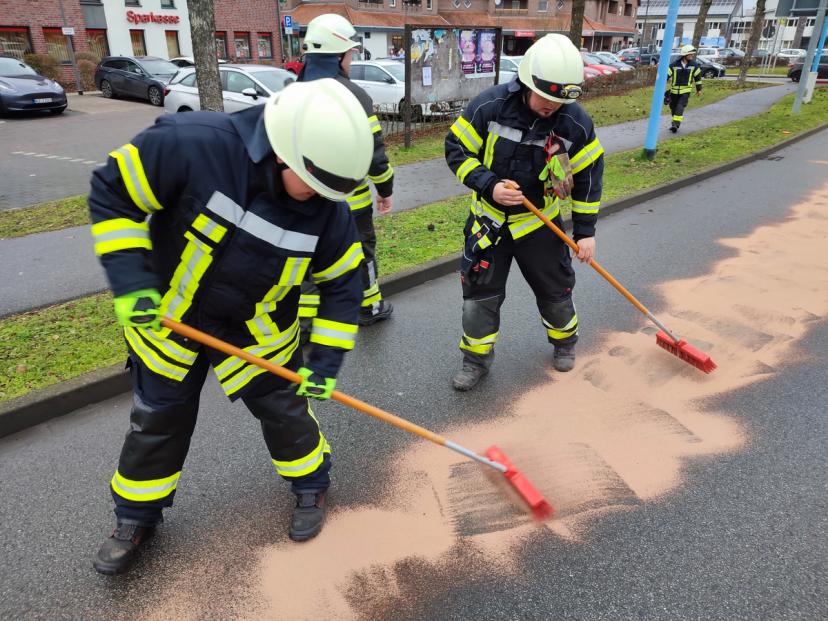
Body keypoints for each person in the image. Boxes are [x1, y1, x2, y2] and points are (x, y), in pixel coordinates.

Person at [88, 79, 374, 575]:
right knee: (158, 420)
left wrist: (325, 364)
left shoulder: (328, 209)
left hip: (257, 330)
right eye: (315, 186)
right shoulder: (191, 145)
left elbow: (344, 286)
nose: (320, 200)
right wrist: (132, 286)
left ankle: (312, 484)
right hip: (170, 317)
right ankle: (135, 516)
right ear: (283, 153)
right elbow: (113, 193)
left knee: (284, 410)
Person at [444, 33, 604, 391]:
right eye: (546, 97)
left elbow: (588, 177)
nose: (552, 106)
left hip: (539, 224)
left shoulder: (574, 123)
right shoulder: (489, 107)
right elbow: (457, 149)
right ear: (527, 83)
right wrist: (490, 185)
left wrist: (586, 232)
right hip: (489, 223)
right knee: (480, 295)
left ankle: (565, 342)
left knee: (556, 288)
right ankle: (475, 360)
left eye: (559, 101)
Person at [297, 13, 395, 327]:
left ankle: (306, 323)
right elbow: (374, 156)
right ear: (339, 56)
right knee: (362, 253)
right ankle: (369, 307)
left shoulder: (291, 93)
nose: (351, 61)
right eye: (350, 54)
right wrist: (385, 190)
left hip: (303, 201)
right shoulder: (355, 96)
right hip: (351, 204)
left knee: (308, 258)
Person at [665, 44, 702, 133]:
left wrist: (699, 89)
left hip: (686, 91)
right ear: (685, 54)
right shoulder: (674, 65)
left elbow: (698, 78)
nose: (692, 55)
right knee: (673, 107)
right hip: (674, 91)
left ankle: (676, 124)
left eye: (692, 54)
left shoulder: (694, 65)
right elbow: (666, 76)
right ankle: (674, 122)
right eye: (690, 54)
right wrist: (661, 86)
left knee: (680, 106)